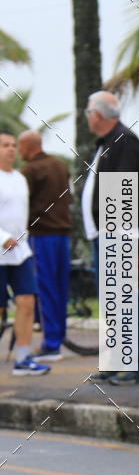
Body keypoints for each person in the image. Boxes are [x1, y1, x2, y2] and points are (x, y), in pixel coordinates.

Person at [81, 91, 139, 385]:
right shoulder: (110, 141)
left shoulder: (122, 140)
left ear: (97, 114)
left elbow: (122, 191)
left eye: (88, 111)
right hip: (106, 233)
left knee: (125, 298)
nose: (86, 116)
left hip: (117, 233)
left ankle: (135, 364)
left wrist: (115, 234)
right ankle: (115, 361)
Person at [18, 129, 71, 363]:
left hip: (41, 235)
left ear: (28, 146)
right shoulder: (60, 165)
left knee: (45, 289)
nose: (17, 152)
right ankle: (57, 338)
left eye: (19, 147)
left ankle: (51, 344)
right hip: (63, 235)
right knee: (60, 289)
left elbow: (20, 203)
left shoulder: (29, 170)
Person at [0, 131, 50, 375]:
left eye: (12, 145)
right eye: (4, 145)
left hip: (21, 252)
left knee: (27, 301)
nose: (10, 149)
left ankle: (23, 358)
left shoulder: (20, 178)